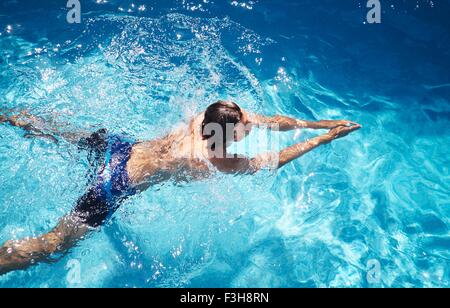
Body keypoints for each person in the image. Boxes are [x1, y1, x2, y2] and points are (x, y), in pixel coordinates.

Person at [0, 101, 361, 275]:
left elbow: (269, 123)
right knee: (53, 245)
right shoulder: (211, 160)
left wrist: (318, 123)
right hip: (116, 183)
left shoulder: (209, 117)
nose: (252, 125)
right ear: (227, 136)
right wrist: (321, 141)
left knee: (52, 130)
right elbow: (275, 159)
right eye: (244, 128)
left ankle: (10, 117)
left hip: (121, 146)